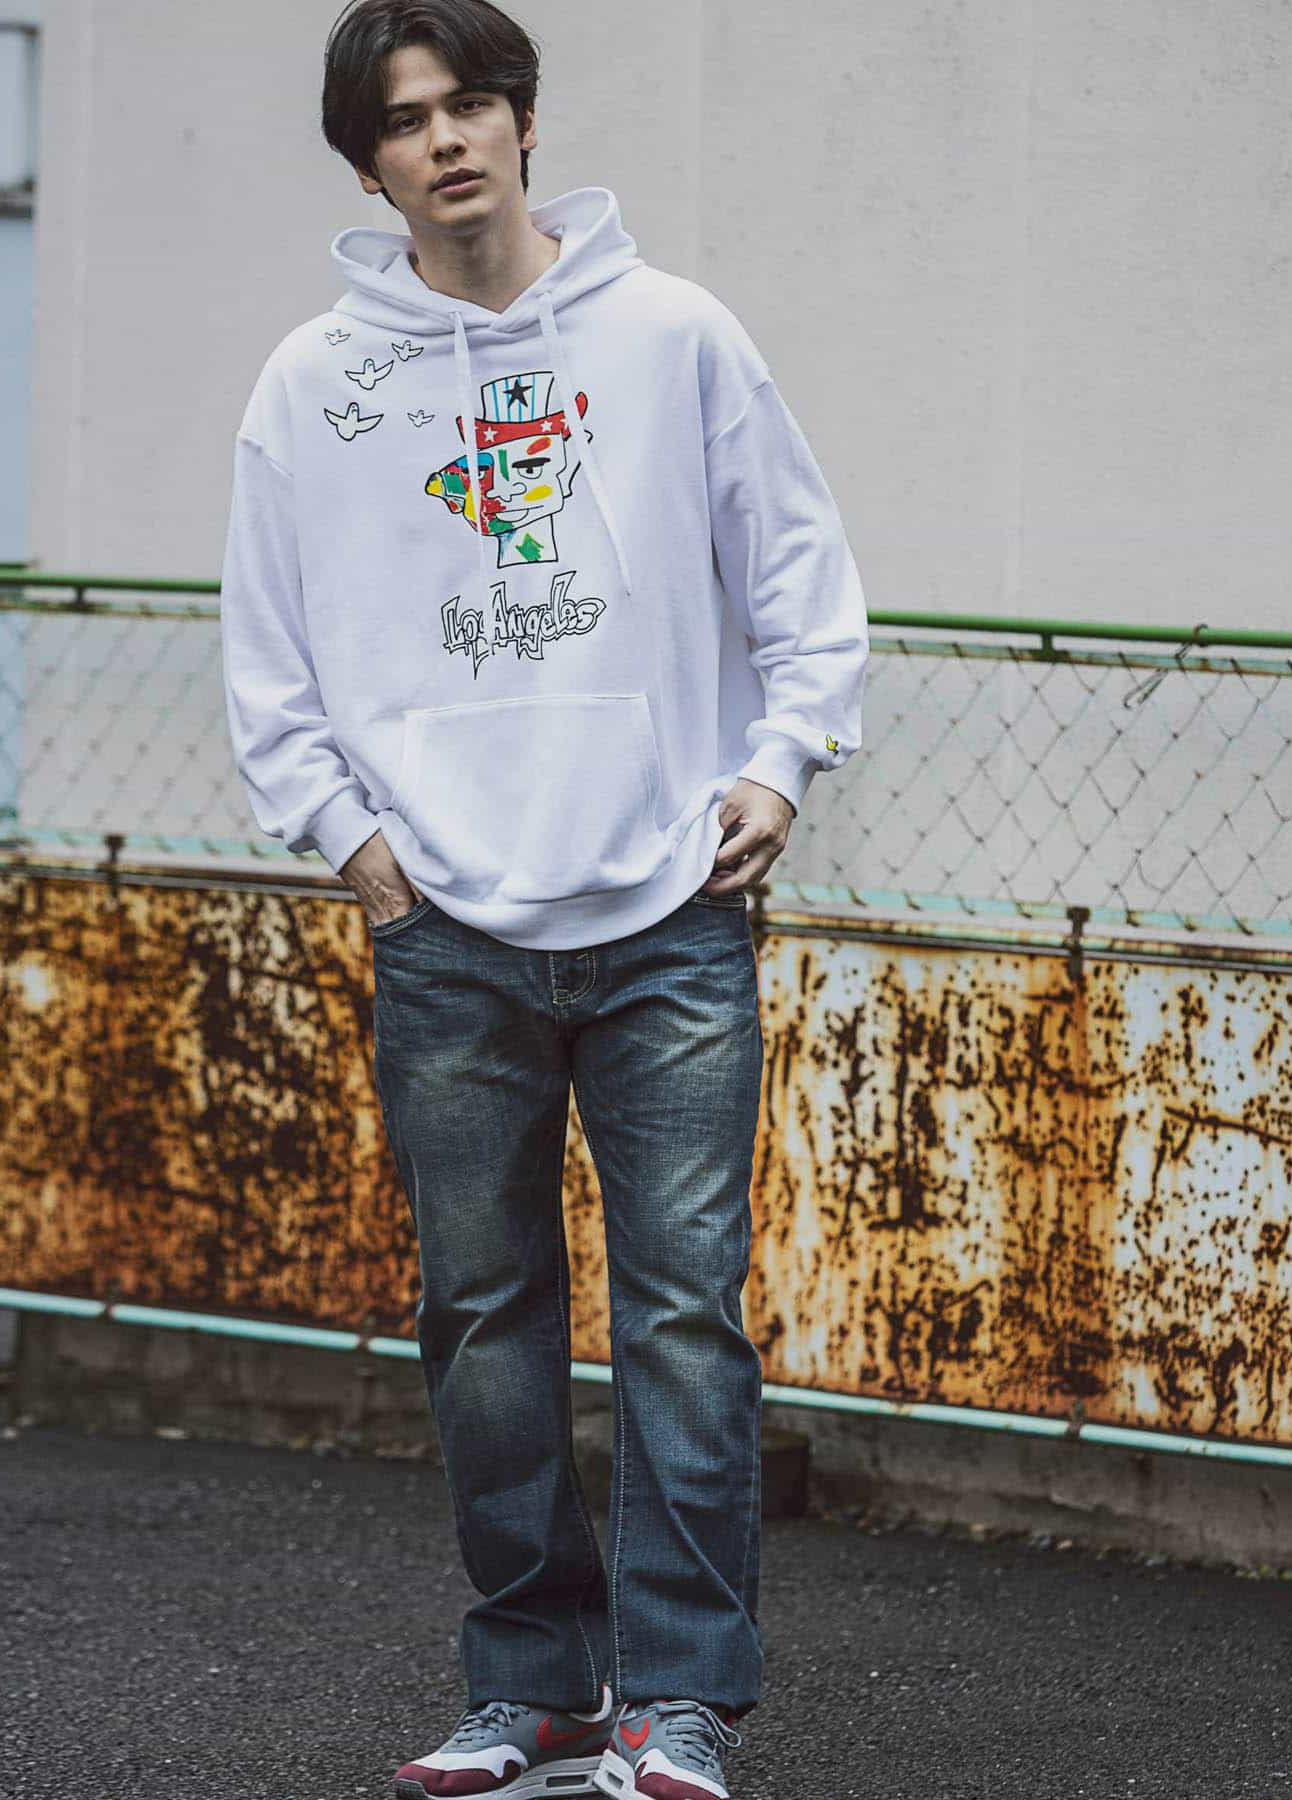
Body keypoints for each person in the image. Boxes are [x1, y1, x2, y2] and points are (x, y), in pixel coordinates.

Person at [218, 2, 869, 1793]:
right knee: (484, 1328)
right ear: (368, 163)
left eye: (471, 104)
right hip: (447, 931)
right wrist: (354, 847)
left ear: (521, 122)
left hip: (667, 918)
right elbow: (267, 660)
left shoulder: (672, 336)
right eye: (404, 119)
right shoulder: (315, 383)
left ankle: (678, 1701)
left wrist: (777, 765)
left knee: (685, 1322)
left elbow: (805, 578)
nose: (445, 139)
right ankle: (537, 1685)